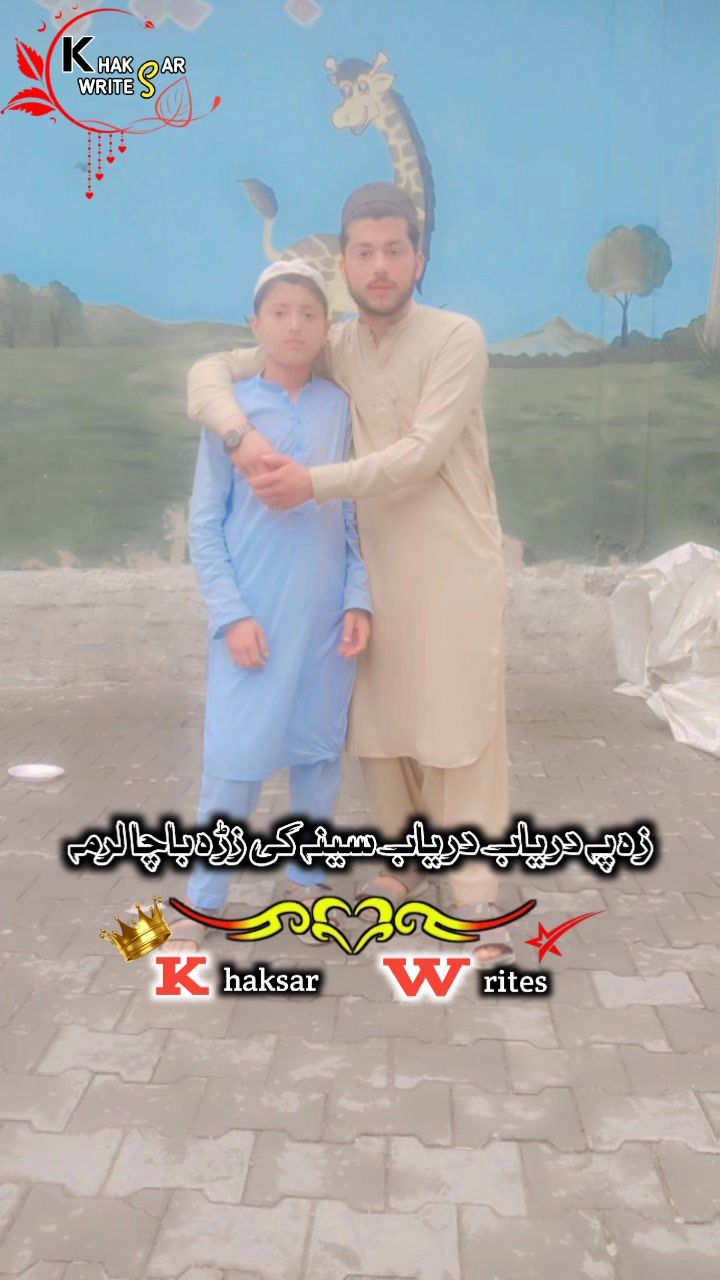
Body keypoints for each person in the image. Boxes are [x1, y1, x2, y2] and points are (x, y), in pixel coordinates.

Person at [186, 183, 513, 966]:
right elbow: (212, 371)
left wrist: (311, 483)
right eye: (363, 252)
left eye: (393, 250)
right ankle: (404, 862)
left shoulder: (456, 336)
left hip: (450, 563)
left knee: (460, 719)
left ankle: (474, 885)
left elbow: (421, 454)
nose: (379, 266)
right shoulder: (335, 345)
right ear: (346, 265)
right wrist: (238, 434)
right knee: (380, 720)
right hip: (365, 568)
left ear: (418, 259)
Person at [172, 259, 372, 951]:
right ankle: (205, 900)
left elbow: (353, 514)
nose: (294, 326)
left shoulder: (339, 409)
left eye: (309, 313)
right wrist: (230, 615)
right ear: (254, 324)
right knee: (234, 761)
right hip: (254, 621)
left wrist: (358, 599)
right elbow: (205, 526)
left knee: (318, 756)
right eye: (280, 312)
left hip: (324, 622)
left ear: (326, 326)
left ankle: (308, 885)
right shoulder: (230, 414)